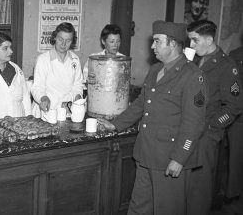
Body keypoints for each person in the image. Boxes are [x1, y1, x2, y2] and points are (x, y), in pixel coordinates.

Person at [98, 20, 208, 215]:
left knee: (168, 209)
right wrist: (115, 125)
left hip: (169, 157)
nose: (152, 46)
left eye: (157, 41)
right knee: (138, 207)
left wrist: (179, 158)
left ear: (173, 44)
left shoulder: (192, 75)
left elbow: (194, 123)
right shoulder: (155, 70)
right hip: (146, 152)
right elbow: (142, 103)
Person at [186, 20, 243, 215]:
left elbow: (235, 106)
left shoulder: (227, 66)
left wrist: (213, 126)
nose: (191, 45)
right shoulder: (194, 59)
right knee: (184, 186)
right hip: (188, 129)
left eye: (195, 40)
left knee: (200, 188)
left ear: (209, 39)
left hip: (206, 135)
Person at [31, 22, 84, 121]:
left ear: (72, 41)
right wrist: (43, 98)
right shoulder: (43, 59)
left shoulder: (75, 60)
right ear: (55, 37)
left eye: (68, 41)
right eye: (60, 39)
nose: (63, 44)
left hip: (66, 112)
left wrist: (77, 96)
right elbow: (37, 87)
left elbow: (78, 84)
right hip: (46, 112)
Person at [225, 45, 243, 207]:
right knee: (236, 158)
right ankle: (233, 194)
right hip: (239, 116)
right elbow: (233, 86)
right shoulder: (236, 54)